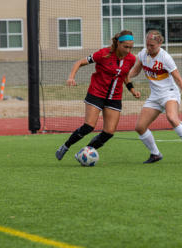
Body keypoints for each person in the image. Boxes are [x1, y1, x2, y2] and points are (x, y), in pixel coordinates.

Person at [55, 30, 140, 160]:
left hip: (114, 97)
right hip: (96, 93)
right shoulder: (103, 54)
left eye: (131, 47)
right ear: (118, 43)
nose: (128, 50)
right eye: (125, 47)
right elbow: (79, 62)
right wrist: (71, 77)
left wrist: (132, 90)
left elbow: (125, 76)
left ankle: (85, 153)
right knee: (89, 126)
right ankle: (66, 146)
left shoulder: (131, 59)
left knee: (109, 132)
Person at [128, 30, 182, 164]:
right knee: (140, 127)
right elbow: (136, 70)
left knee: (171, 117)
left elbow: (178, 79)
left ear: (160, 44)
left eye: (152, 45)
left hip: (169, 93)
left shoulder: (165, 58)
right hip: (155, 96)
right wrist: (125, 76)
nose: (149, 48)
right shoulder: (143, 54)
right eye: (147, 44)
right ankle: (155, 154)